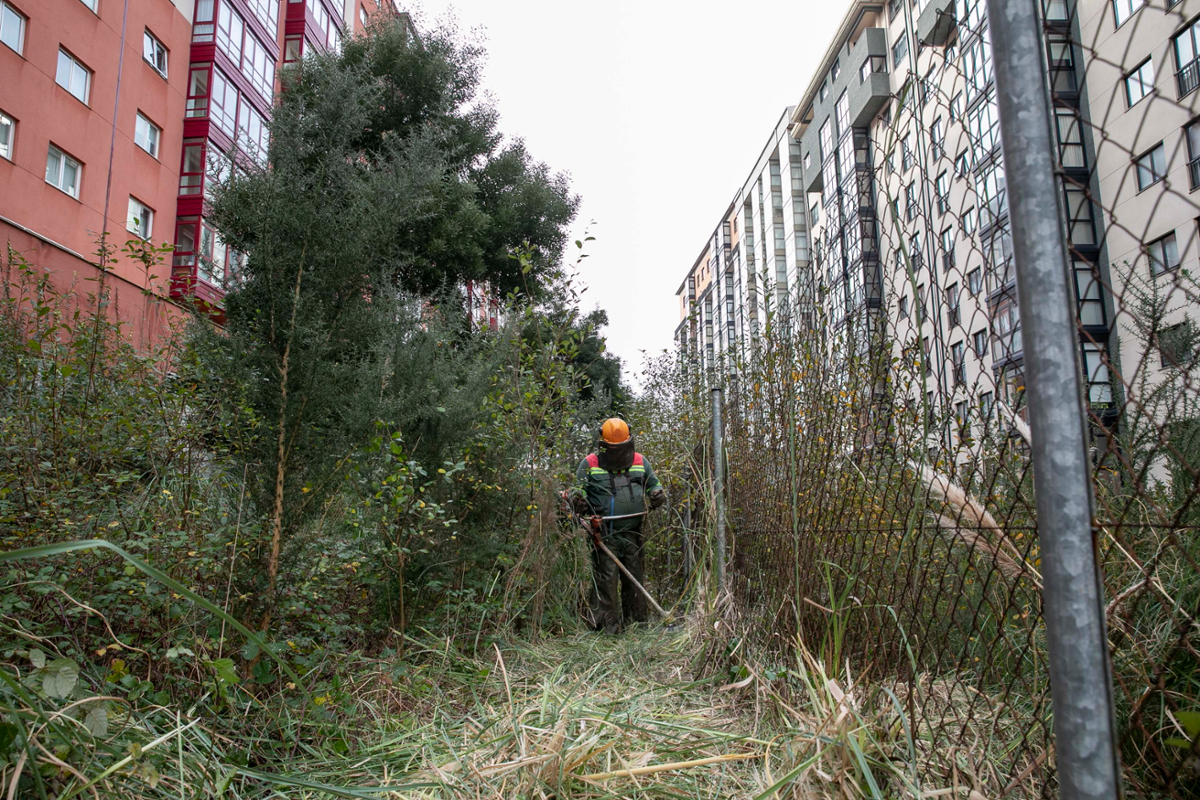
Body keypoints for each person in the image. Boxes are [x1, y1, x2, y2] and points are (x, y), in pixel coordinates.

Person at [567, 418, 666, 633]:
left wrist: (657, 494)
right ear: (603, 445)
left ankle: (637, 626)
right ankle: (607, 629)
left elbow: (653, 484)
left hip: (633, 533)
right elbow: (577, 489)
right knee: (606, 580)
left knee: (635, 579)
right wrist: (577, 500)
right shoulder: (590, 463)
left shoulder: (640, 461)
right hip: (604, 534)